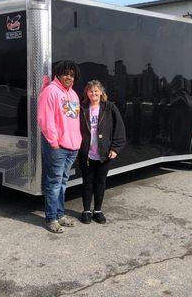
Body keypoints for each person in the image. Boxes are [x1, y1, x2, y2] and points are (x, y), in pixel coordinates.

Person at [37, 60, 82, 233]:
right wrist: (54, 142)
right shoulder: (51, 91)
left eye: (72, 74)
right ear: (58, 74)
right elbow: (44, 119)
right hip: (57, 147)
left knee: (63, 182)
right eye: (66, 73)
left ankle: (60, 214)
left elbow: (74, 120)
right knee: (54, 182)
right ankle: (51, 218)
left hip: (72, 147)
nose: (69, 77)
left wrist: (77, 142)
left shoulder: (74, 95)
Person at [78, 80, 126, 224]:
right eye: (91, 91)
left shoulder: (109, 108)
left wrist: (115, 148)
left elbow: (119, 129)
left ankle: (97, 211)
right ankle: (86, 210)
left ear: (101, 92)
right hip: (86, 153)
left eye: (96, 91)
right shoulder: (82, 108)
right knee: (87, 182)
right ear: (87, 93)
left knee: (100, 182)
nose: (93, 93)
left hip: (104, 154)